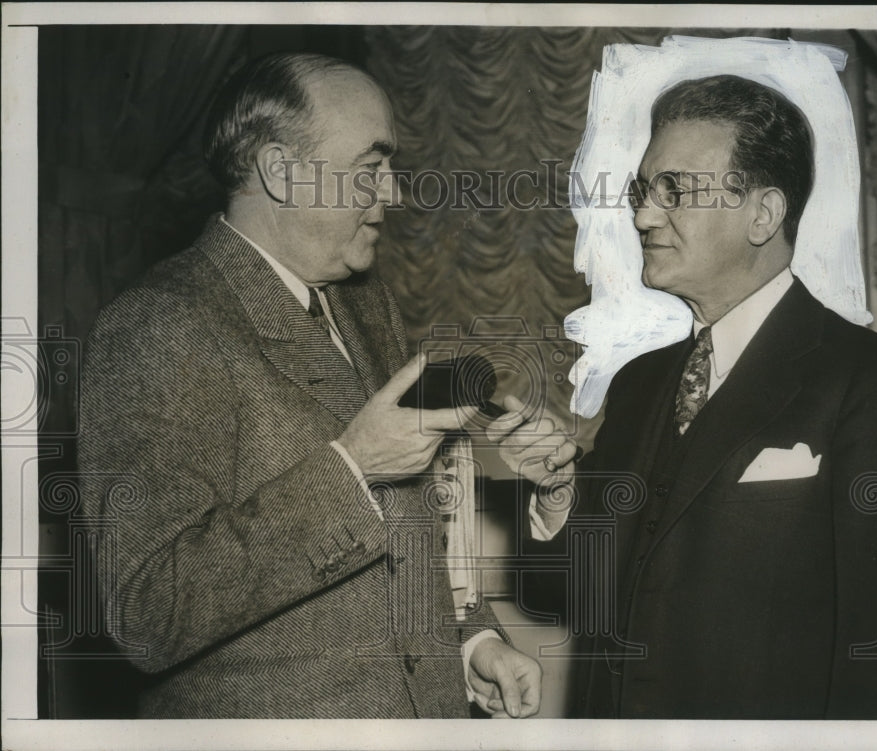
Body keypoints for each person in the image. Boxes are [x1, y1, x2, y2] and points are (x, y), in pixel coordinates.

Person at [79, 52, 540, 719]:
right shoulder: (158, 324)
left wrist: (473, 645)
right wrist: (352, 469)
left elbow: (405, 542)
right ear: (280, 171)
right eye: (369, 169)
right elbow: (149, 610)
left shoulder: (366, 304)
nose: (394, 194)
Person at [490, 74, 877, 719]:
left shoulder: (873, 383)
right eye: (643, 191)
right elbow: (572, 595)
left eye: (674, 192)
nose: (642, 215)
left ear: (763, 215)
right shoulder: (638, 385)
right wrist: (557, 501)